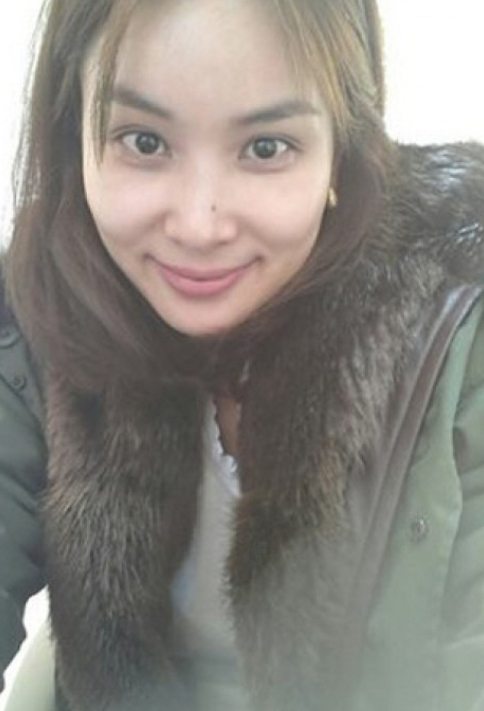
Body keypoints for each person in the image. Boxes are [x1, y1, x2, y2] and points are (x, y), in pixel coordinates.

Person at [0, 0, 483, 709]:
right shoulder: (40, 303)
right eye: (143, 141)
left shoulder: (460, 318)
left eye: (264, 148)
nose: (200, 226)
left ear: (341, 150)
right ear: (75, 134)